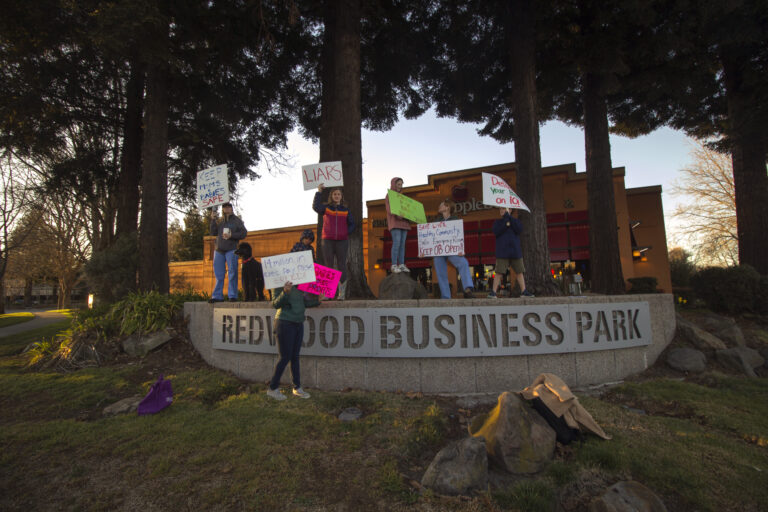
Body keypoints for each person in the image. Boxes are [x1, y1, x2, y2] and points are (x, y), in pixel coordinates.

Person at [266, 281, 323, 401]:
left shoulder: (300, 284)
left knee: (295, 356)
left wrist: (317, 301)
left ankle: (297, 387)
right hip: (284, 322)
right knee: (285, 357)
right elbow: (276, 304)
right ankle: (272, 388)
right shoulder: (278, 282)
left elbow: (303, 303)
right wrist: (285, 292)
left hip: (298, 323)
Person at [313, 184, 355, 299]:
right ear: (331, 196)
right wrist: (319, 192)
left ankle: (341, 294)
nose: (337, 196)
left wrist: (346, 232)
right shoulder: (326, 208)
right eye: (334, 194)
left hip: (342, 241)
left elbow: (352, 224)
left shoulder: (346, 210)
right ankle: (327, 294)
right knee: (328, 266)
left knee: (342, 266)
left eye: (338, 194)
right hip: (327, 240)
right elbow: (316, 207)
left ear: (341, 197)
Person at [433, 199, 475, 299]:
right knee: (440, 272)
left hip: (452, 250)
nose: (439, 206)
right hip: (439, 251)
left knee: (463, 262)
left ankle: (468, 289)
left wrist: (461, 249)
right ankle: (446, 296)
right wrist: (424, 251)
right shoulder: (436, 221)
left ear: (447, 207)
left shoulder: (455, 220)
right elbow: (431, 238)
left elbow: (459, 236)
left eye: (442, 204)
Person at [490, 207, 534, 298]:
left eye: (503, 209)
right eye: (500, 209)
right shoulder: (498, 222)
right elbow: (496, 231)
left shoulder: (515, 221)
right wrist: (506, 223)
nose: (501, 211)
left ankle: (524, 291)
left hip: (515, 250)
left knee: (519, 271)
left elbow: (519, 229)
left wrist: (509, 219)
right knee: (499, 271)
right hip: (502, 251)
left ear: (510, 210)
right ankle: (493, 292)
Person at [209, 202, 247, 302]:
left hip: (232, 249)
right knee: (219, 274)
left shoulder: (237, 220)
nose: (226, 208)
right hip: (219, 250)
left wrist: (232, 235)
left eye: (228, 206)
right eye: (224, 207)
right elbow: (213, 232)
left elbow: (244, 233)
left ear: (231, 208)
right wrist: (213, 219)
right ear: (222, 209)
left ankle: (232, 296)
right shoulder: (219, 220)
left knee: (232, 272)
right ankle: (217, 296)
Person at [385, 177, 410, 273]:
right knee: (397, 242)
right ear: (393, 184)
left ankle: (402, 264)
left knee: (402, 244)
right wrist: (399, 215)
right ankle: (394, 265)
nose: (400, 186)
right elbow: (389, 209)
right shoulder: (389, 195)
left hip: (404, 223)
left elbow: (408, 210)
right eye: (398, 184)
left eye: (401, 184)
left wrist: (409, 215)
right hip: (395, 222)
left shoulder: (403, 197)